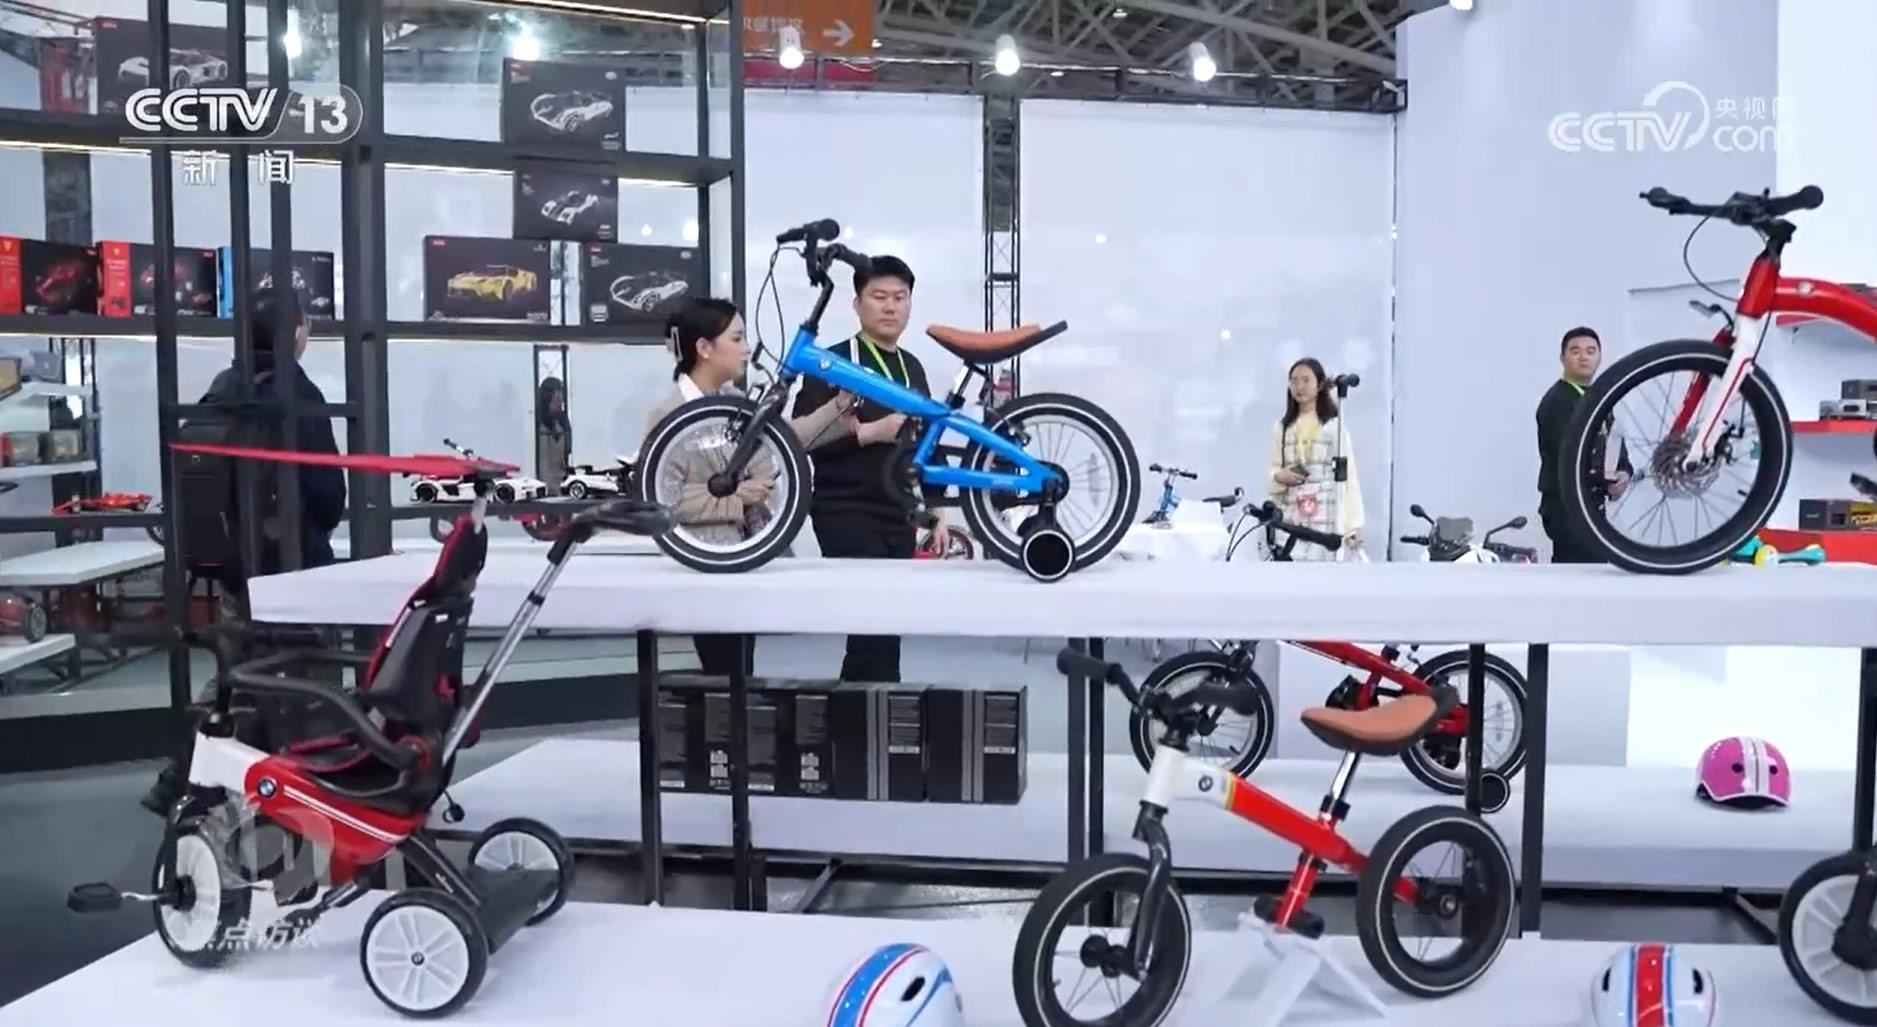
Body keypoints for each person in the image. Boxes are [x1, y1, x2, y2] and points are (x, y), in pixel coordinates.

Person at [142, 289, 345, 815]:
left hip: (236, 565)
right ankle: (315, 786)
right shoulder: (300, 394)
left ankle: (186, 770)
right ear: (295, 332)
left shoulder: (222, 387)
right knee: (313, 673)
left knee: (238, 667)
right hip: (295, 566)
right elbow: (329, 495)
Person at [646, 297, 851, 676]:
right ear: (704, 348)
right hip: (705, 566)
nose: (746, 349)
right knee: (725, 670)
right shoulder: (668, 416)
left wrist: (838, 406)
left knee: (741, 669)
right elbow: (663, 503)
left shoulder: (734, 402)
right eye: (737, 338)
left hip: (745, 560)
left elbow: (784, 440)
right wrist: (736, 499)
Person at [789, 255, 940, 682]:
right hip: (846, 510)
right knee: (871, 631)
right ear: (857, 304)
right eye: (879, 297)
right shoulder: (832, 363)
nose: (890, 307)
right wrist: (870, 433)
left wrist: (935, 510)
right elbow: (804, 440)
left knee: (887, 632)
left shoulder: (912, 366)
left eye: (900, 297)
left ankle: (872, 713)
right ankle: (862, 716)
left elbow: (926, 443)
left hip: (899, 514)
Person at [1535, 326, 1632, 563]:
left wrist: (1623, 473)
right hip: (1567, 508)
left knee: (1594, 572)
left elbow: (1613, 441)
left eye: (1591, 351)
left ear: (1600, 356)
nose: (1584, 357)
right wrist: (1605, 479)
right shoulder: (1558, 400)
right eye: (1575, 351)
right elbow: (1571, 455)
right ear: (1562, 358)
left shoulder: (1596, 398)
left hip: (1591, 505)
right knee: (1579, 575)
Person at [1268, 357, 1364, 561]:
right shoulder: (1282, 428)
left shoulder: (1334, 426)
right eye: (1294, 381)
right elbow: (1274, 469)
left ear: (1320, 385)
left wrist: (1352, 525)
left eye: (1306, 380)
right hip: (1292, 517)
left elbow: (1348, 476)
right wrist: (1278, 477)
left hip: (1325, 515)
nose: (1299, 387)